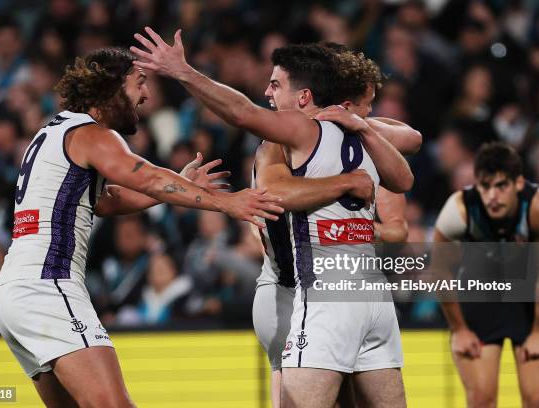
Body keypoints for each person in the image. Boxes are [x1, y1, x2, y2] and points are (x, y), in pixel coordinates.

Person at [131, 28, 413, 408]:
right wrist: (359, 138)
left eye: (275, 85)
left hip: (317, 294)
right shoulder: (369, 138)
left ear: (305, 96)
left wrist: (184, 73)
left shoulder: (299, 130)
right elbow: (405, 170)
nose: (267, 94)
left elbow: (243, 116)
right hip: (372, 297)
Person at [0, 47, 283, 408]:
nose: (144, 94)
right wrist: (228, 202)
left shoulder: (53, 132)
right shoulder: (91, 133)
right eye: (139, 82)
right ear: (112, 86)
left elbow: (106, 198)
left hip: (12, 292)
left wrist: (179, 185)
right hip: (47, 285)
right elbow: (145, 177)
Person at [434, 142, 539, 408]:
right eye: (485, 187)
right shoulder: (459, 209)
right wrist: (459, 329)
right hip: (481, 299)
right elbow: (440, 270)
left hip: (530, 303)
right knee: (481, 401)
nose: (492, 197)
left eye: (501, 186)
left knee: (537, 401)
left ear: (519, 184)